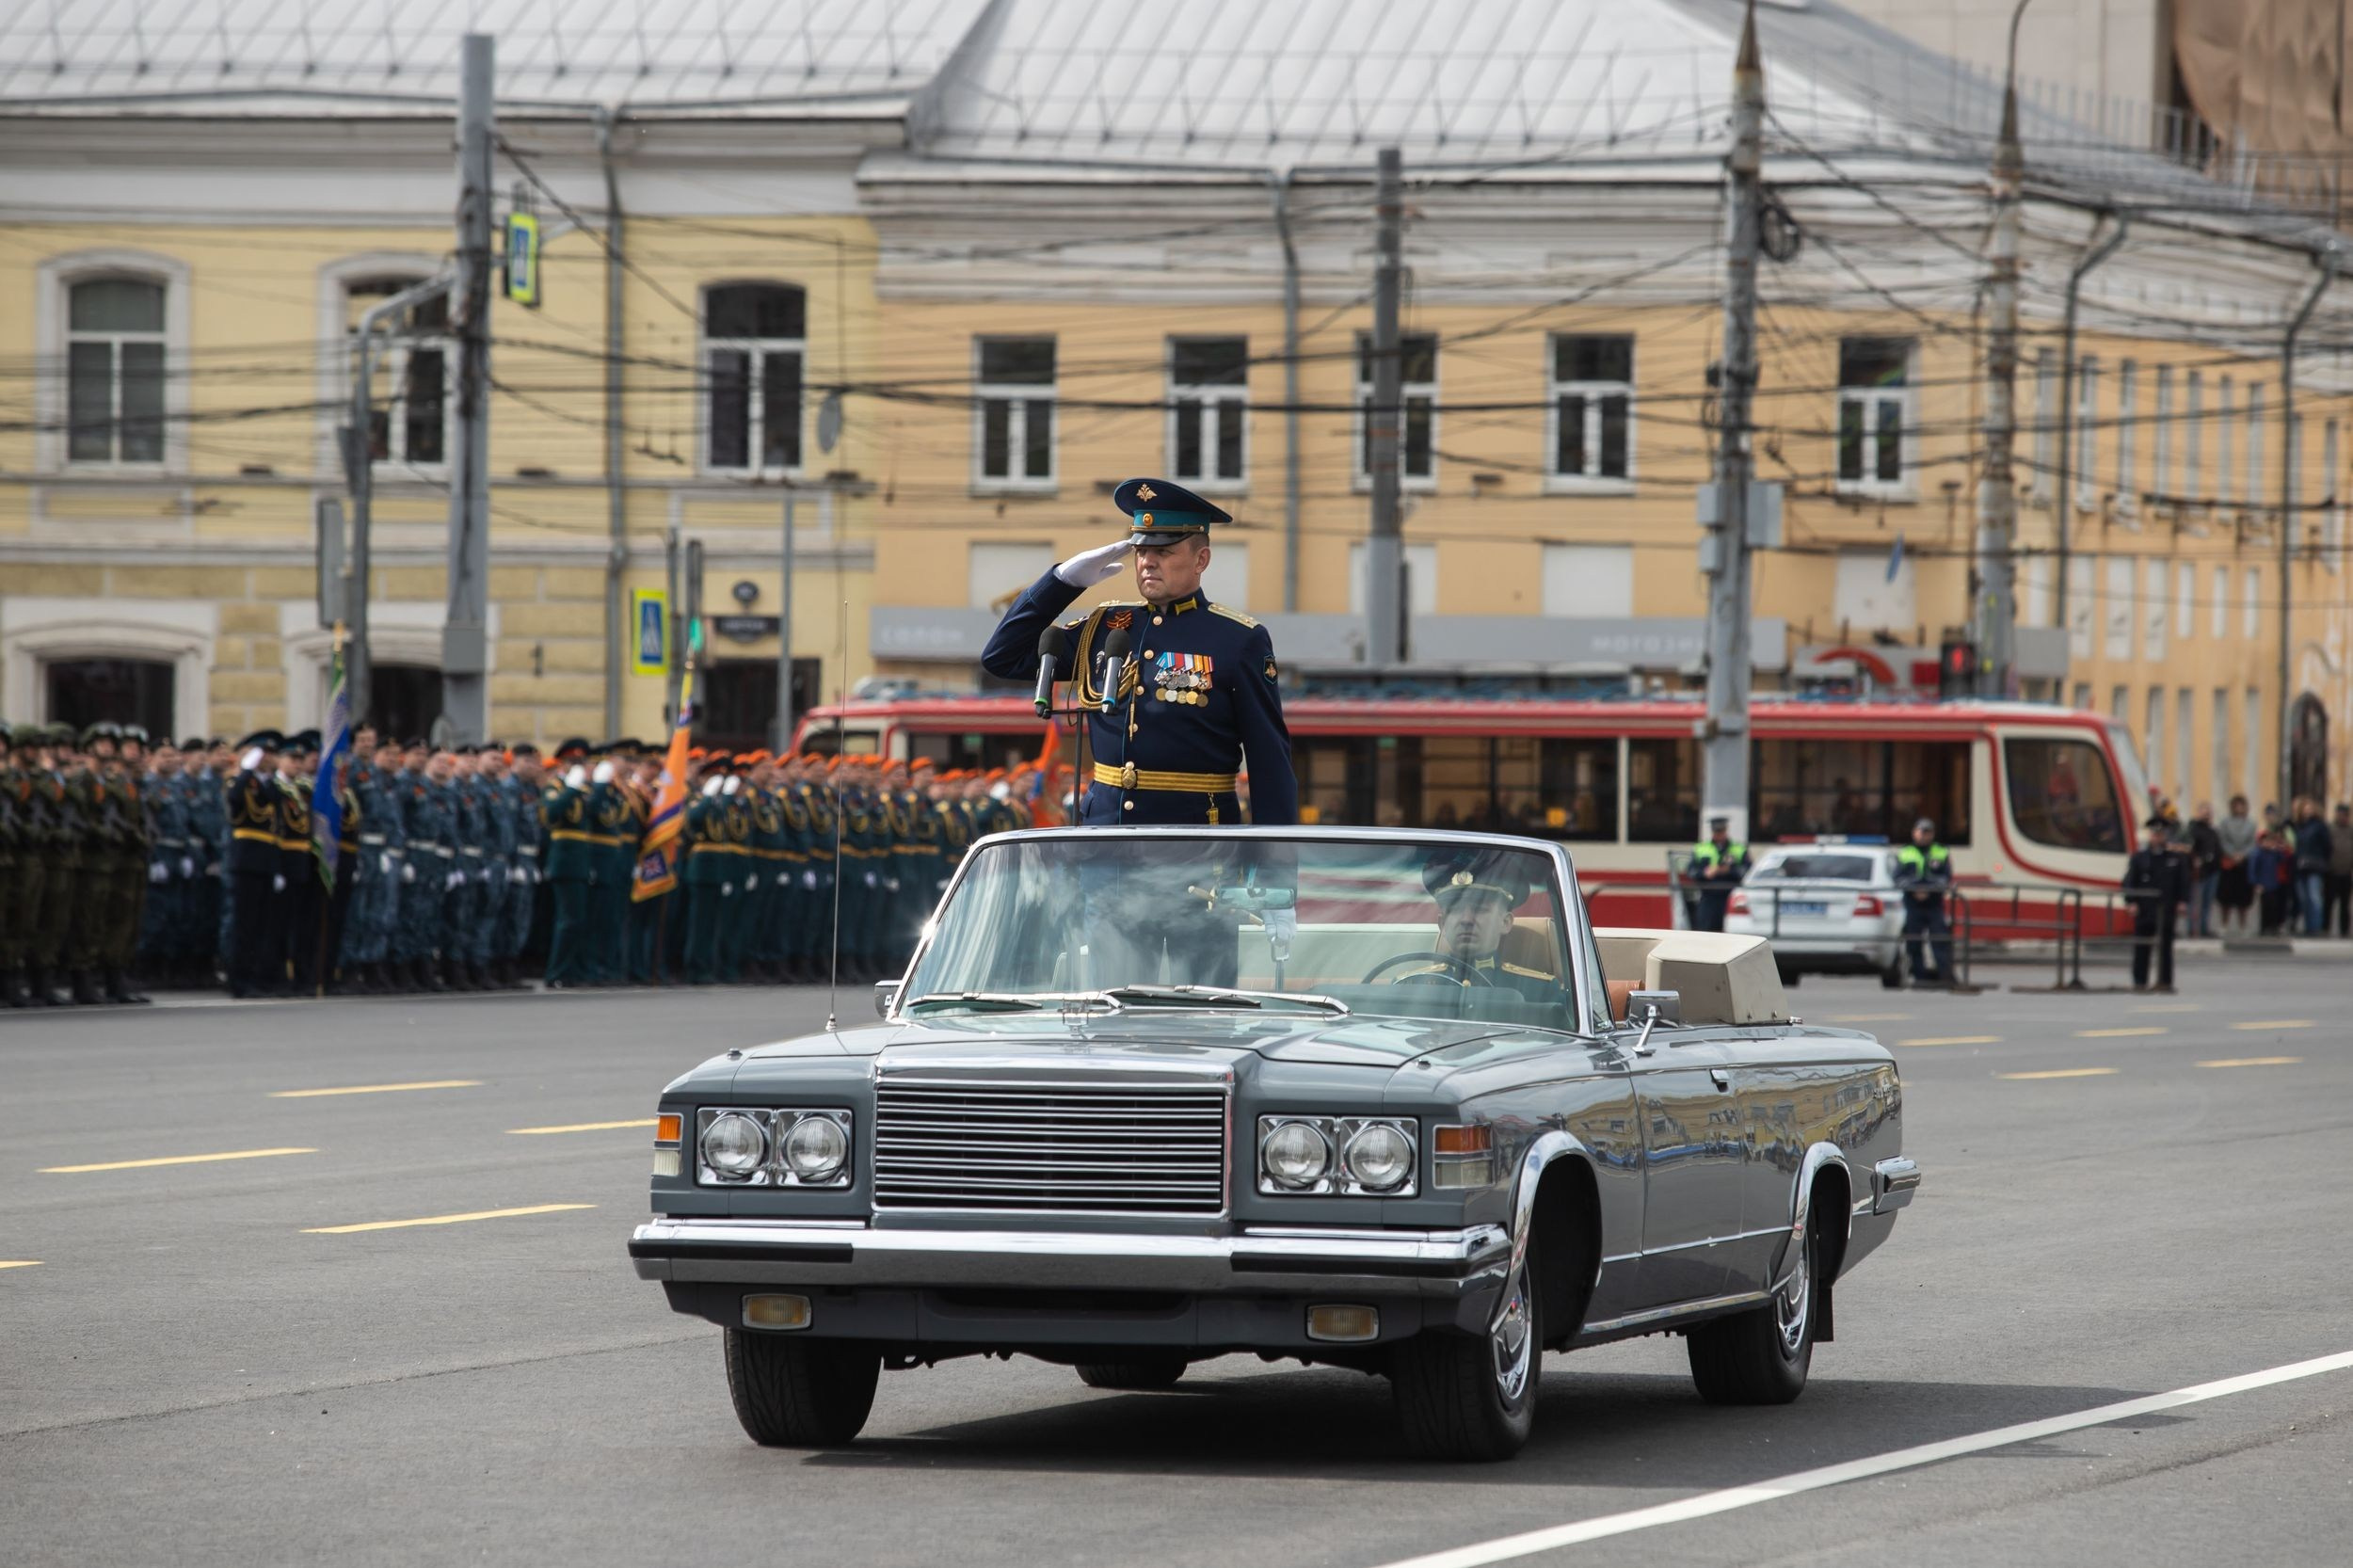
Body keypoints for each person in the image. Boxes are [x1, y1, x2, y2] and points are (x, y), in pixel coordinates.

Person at [979, 477, 1297, 829]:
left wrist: (1272, 870)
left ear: (1201, 560)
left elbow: (1269, 761)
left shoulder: (1237, 639)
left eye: (1163, 551)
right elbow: (1002, 656)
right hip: (1104, 840)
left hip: (1194, 847)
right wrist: (1060, 583)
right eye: (1141, 551)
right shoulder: (1105, 628)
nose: (1147, 562)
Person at [1380, 853, 1560, 1003]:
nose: (1466, 919)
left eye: (1480, 909)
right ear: (1442, 924)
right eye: (1455, 909)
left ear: (1505, 923)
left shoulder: (1540, 992)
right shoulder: (1408, 988)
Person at [2122, 814, 2189, 991]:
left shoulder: (2175, 859)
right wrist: (2131, 901)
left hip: (2166, 909)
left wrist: (2182, 901)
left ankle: (2165, 981)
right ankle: (2140, 981)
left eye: (2160, 834)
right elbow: (2129, 881)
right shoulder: (2139, 858)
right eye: (2154, 834)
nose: (2157, 837)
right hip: (2145, 909)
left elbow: (2183, 882)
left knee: (2166, 947)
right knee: (2142, 946)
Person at [1894, 815, 1954, 987]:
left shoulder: (1941, 851)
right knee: (1913, 941)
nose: (1924, 836)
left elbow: (1946, 877)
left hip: (1934, 903)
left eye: (1927, 832)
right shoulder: (1905, 852)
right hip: (1913, 904)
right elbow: (1898, 877)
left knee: (1940, 939)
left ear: (1932, 834)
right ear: (1914, 833)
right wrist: (1915, 890)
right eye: (1921, 832)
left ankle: (1945, 977)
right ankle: (1920, 977)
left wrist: (1929, 890)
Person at [1686, 815, 1748, 933]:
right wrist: (1704, 873)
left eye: (1721, 831)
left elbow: (1747, 872)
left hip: (1730, 898)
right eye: (1716, 831)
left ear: (1726, 830)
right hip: (1708, 898)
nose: (1719, 834)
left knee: (1731, 935)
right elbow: (1691, 871)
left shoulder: (1738, 849)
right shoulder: (1701, 848)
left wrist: (1728, 871)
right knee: (1705, 934)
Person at [2214, 794, 2257, 936]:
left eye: (2241, 805)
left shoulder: (2251, 824)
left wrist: (2243, 855)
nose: (2239, 808)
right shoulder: (2225, 823)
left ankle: (2243, 925)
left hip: (2244, 864)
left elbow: (2252, 843)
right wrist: (2232, 854)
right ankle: (2224, 924)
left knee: (2243, 898)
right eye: (2236, 805)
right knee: (2226, 897)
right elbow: (2223, 840)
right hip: (2229, 863)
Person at [2290, 796, 2332, 936]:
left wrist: (2322, 860)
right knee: (2303, 898)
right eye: (2305, 809)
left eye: (2310, 809)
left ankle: (2315, 927)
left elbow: (2327, 846)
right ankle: (2308, 926)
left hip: (2315, 866)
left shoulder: (2319, 826)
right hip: (2300, 866)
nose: (2307, 811)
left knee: (2314, 897)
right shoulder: (2298, 826)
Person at [2184, 802, 2221, 938]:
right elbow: (2190, 849)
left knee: (2207, 902)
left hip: (2213, 871)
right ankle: (2191, 929)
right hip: (2198, 872)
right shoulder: (2193, 830)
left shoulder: (2213, 831)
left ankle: (2204, 928)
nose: (2207, 815)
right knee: (2194, 902)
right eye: (2204, 812)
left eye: (2209, 812)